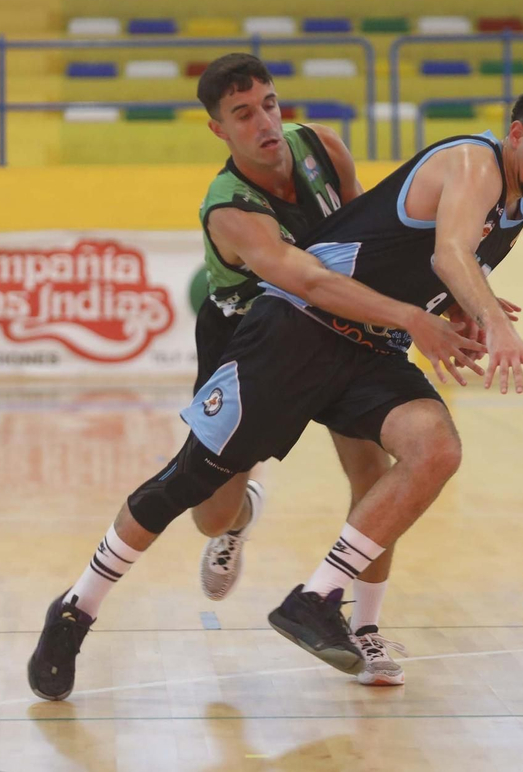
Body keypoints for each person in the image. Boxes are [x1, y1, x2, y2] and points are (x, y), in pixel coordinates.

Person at [31, 79, 523, 701]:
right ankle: (75, 609)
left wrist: (459, 310)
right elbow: (448, 253)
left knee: (433, 449)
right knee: (193, 485)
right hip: (298, 328)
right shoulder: (473, 161)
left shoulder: (513, 204)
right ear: (517, 133)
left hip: (371, 344)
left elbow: (407, 250)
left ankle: (320, 600)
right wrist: (488, 320)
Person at [184, 53, 405, 685]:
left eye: (270, 104)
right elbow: (302, 278)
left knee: (374, 471)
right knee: (211, 514)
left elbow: (371, 239)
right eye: (243, 114)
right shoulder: (229, 205)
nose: (265, 123)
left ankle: (365, 629)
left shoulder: (325, 150)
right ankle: (241, 515)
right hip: (248, 339)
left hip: (336, 324)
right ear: (219, 129)